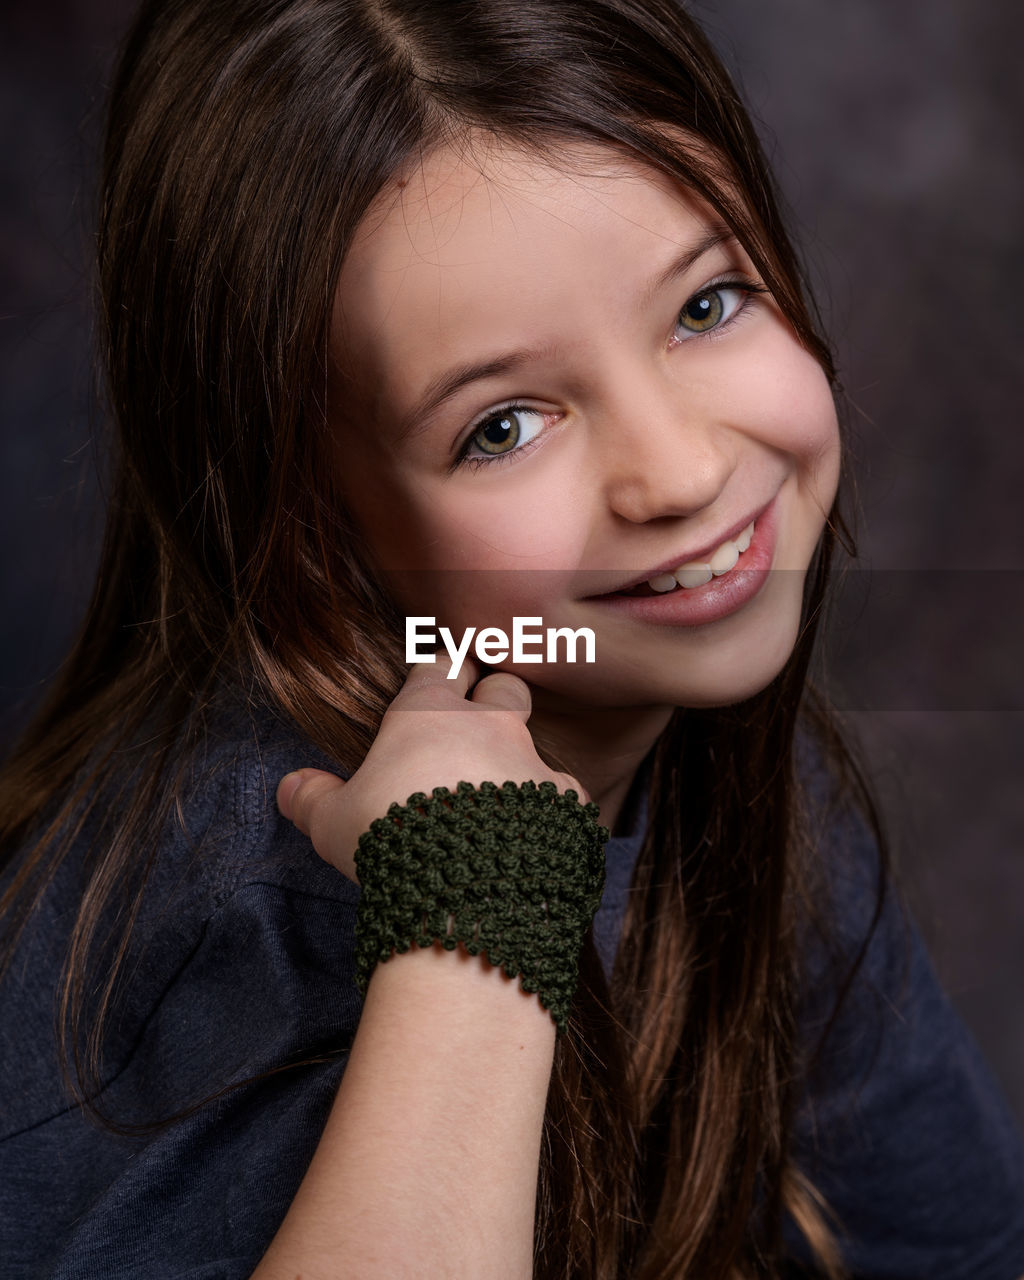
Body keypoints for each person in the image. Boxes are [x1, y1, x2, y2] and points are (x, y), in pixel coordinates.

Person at [0, 0, 1022, 1276]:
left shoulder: (703, 742)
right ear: (314, 536)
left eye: (706, 306)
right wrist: (473, 912)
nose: (680, 470)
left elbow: (958, 1245)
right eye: (501, 427)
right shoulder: (231, 912)